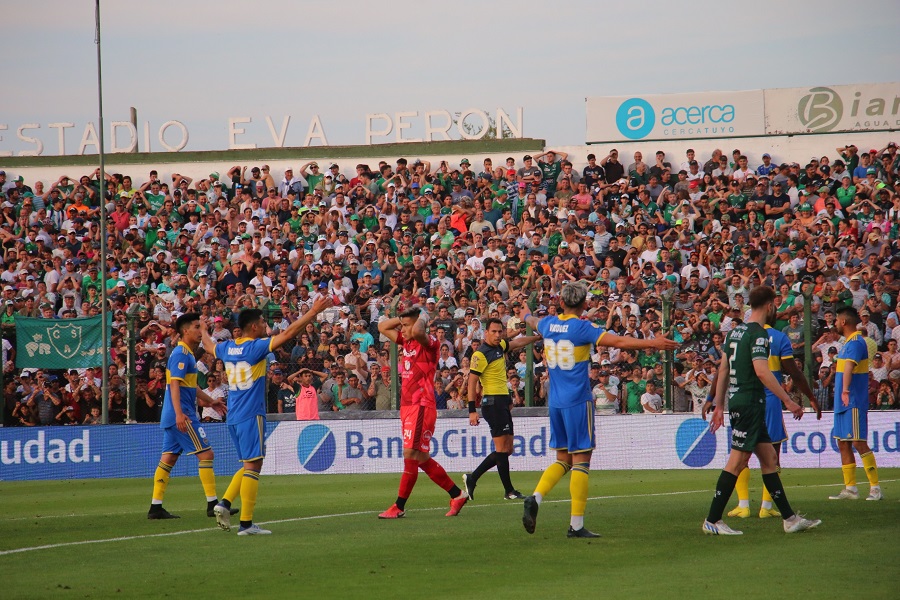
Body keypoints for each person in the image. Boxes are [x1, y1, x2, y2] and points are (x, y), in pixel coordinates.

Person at [520, 282, 680, 538]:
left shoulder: (548, 324)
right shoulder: (582, 327)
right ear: (584, 305)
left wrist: (524, 311)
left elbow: (529, 319)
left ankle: (536, 498)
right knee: (581, 461)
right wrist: (655, 342)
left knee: (563, 459)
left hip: (556, 402)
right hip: (578, 401)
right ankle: (576, 525)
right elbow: (619, 341)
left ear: (561, 302)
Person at [202, 296, 332, 535]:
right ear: (254, 327)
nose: (265, 325)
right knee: (254, 466)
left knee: (250, 463)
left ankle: (225, 503)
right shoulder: (255, 346)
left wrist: (202, 328)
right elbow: (290, 332)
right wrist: (313, 311)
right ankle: (246, 523)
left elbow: (209, 347)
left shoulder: (228, 347)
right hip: (252, 414)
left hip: (234, 416)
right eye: (262, 322)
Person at [703, 286, 821, 535]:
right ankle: (712, 520)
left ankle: (789, 519)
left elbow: (723, 370)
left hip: (740, 402)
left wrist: (720, 404)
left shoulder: (734, 332)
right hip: (749, 403)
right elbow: (761, 371)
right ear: (769, 306)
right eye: (775, 306)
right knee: (737, 462)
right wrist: (787, 401)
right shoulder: (759, 335)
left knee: (769, 460)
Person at [376, 305, 469, 519]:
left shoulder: (429, 343)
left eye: (408, 325)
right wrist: (403, 321)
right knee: (422, 458)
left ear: (420, 323)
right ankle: (457, 495)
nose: (404, 329)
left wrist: (422, 318)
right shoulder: (406, 341)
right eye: (403, 326)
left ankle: (398, 506)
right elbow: (382, 326)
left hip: (421, 405)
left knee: (410, 455)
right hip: (408, 406)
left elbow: (418, 331)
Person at [147, 312, 230, 520]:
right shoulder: (181, 354)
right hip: (182, 416)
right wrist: (180, 414)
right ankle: (212, 504)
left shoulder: (187, 354)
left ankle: (155, 507)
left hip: (174, 416)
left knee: (168, 459)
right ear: (185, 331)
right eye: (195, 327)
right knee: (206, 454)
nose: (199, 330)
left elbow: (190, 386)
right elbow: (173, 384)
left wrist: (210, 401)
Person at [463, 317, 541, 501]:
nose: (498, 335)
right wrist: (471, 410)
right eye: (494, 332)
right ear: (486, 333)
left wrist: (536, 338)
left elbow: (516, 342)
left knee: (507, 450)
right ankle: (508, 490)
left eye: (500, 332)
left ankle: (473, 478)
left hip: (502, 402)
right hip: (492, 404)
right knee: (502, 449)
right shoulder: (480, 354)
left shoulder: (499, 346)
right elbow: (472, 382)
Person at [828, 306, 882, 501]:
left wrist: (844, 390)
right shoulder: (848, 343)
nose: (834, 323)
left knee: (859, 442)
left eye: (836, 320)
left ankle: (875, 488)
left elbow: (849, 367)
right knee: (843, 443)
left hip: (852, 400)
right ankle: (850, 489)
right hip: (843, 402)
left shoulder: (857, 342)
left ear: (844, 322)